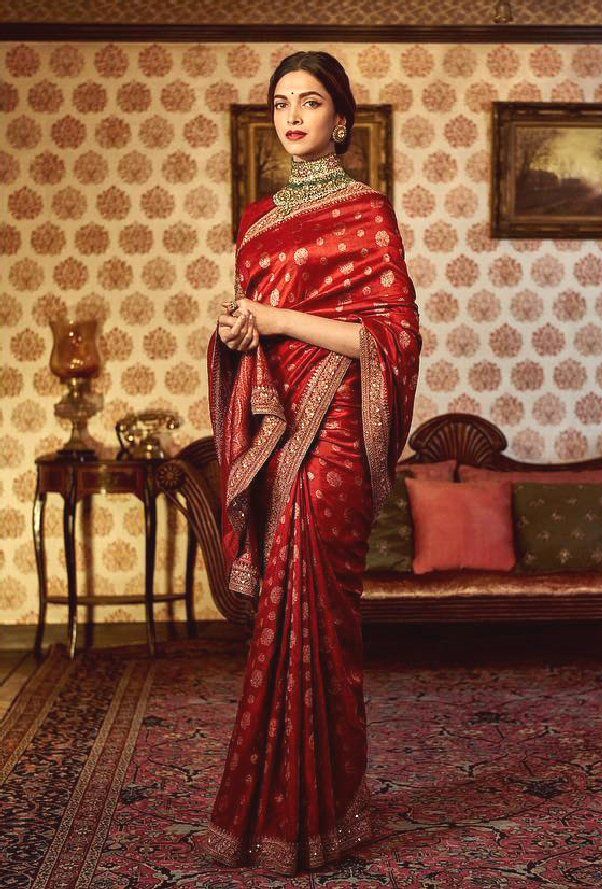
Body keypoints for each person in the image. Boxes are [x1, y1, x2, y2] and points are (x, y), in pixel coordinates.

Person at [194, 49, 421, 876]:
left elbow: (384, 338)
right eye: (282, 102)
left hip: (337, 431)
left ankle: (325, 804)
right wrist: (239, 333)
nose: (294, 115)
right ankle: (286, 810)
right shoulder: (256, 221)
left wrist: (275, 314)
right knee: (284, 618)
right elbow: (261, 334)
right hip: (284, 419)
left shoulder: (369, 214)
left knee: (321, 613)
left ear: (342, 119)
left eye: (312, 101)